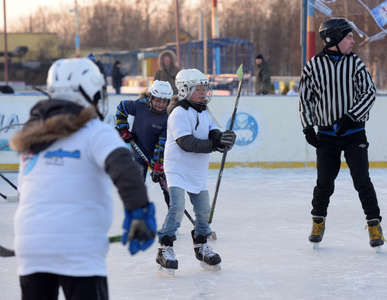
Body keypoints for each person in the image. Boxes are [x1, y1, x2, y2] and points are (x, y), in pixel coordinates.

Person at [10, 58, 156, 300]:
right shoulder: (95, 131)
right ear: (89, 93)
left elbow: (26, 193)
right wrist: (139, 212)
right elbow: (125, 167)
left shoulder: (31, 139)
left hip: (31, 245)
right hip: (79, 247)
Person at [298, 18, 384, 249]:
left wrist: (350, 116)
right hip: (326, 136)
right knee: (324, 182)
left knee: (362, 180)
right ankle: (318, 221)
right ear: (333, 39)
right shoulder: (313, 66)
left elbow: (369, 92)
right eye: (348, 37)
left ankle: (374, 225)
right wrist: (308, 127)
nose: (353, 41)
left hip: (354, 133)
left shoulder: (355, 63)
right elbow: (305, 99)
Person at [156, 68, 236, 274]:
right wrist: (215, 145)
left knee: (202, 210)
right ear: (184, 90)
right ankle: (165, 247)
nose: (203, 93)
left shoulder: (204, 111)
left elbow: (212, 132)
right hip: (177, 169)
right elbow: (187, 143)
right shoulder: (178, 114)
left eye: (204, 88)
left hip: (196, 171)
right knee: (177, 207)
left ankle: (201, 245)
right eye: (198, 89)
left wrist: (222, 138)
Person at [115, 80, 173, 209]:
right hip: (137, 154)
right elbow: (121, 108)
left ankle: (173, 218)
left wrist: (158, 165)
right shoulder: (139, 106)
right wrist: (123, 128)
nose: (160, 104)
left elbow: (161, 144)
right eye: (158, 100)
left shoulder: (167, 119)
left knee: (169, 190)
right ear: (151, 97)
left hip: (158, 157)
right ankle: (136, 217)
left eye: (164, 101)